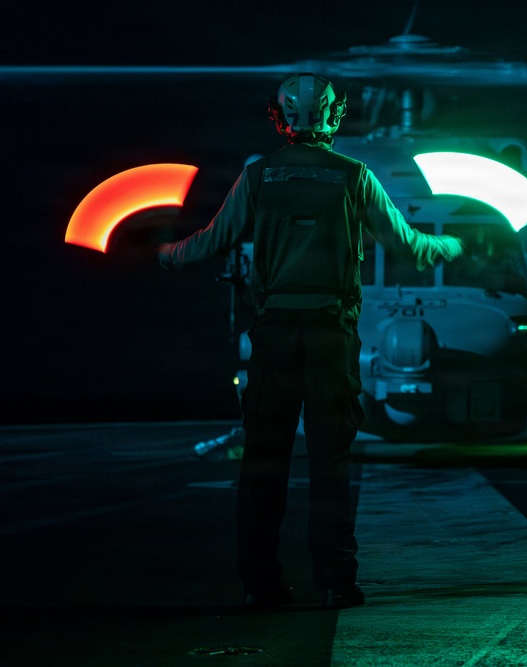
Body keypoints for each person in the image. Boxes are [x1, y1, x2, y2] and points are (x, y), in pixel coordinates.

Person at [157, 73, 465, 609]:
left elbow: (210, 242)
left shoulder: (258, 176)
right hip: (329, 335)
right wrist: (452, 245)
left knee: (263, 464)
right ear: (334, 114)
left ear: (279, 118)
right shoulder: (354, 175)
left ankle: (259, 584)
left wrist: (162, 253)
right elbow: (411, 246)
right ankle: (336, 582)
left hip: (273, 335)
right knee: (331, 464)